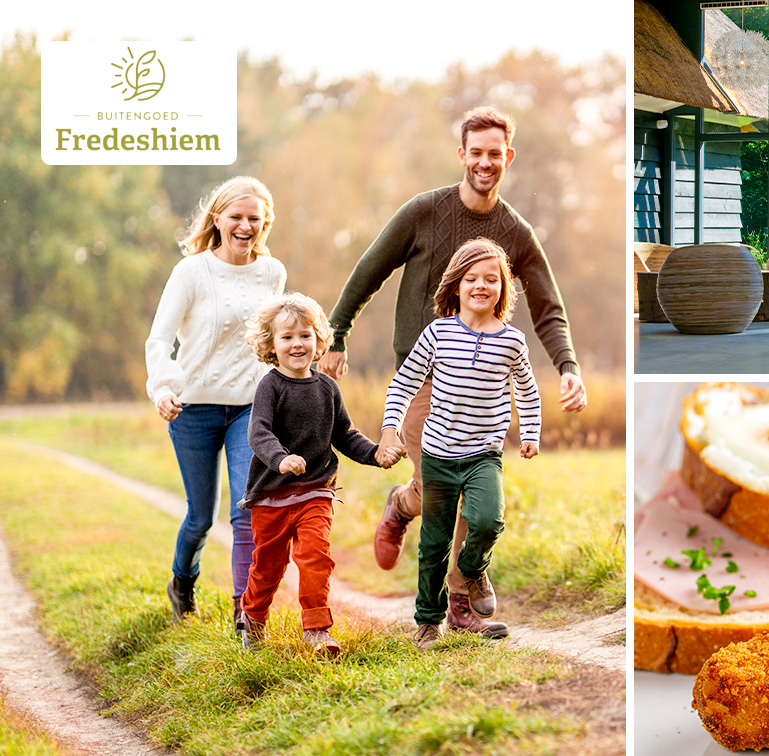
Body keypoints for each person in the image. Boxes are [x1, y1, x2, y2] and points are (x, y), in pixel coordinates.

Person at [318, 106, 584, 638]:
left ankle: (460, 603)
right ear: (463, 155)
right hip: (423, 373)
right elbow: (369, 269)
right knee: (437, 486)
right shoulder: (423, 211)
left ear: (508, 158)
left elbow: (547, 306)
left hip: (485, 381)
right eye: (476, 153)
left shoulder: (515, 232)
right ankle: (401, 505)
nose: (485, 163)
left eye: (495, 155)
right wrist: (337, 333)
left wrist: (568, 366)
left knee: (474, 493)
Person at [378, 238, 540, 650]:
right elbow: (404, 383)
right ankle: (428, 622)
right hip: (437, 455)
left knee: (488, 520)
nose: (480, 286)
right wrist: (390, 428)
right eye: (471, 278)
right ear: (456, 285)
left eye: (491, 279)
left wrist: (531, 433)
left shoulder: (512, 341)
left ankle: (471, 572)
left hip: (484, 453)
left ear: (504, 287)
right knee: (434, 541)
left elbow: (528, 391)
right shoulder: (438, 333)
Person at [145, 176, 286, 627]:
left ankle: (246, 611)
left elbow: (273, 338)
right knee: (200, 518)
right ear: (218, 219)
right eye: (237, 217)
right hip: (193, 408)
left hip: (250, 406)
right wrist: (164, 388)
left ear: (264, 223)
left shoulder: (272, 272)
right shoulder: (191, 271)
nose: (245, 226)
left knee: (246, 511)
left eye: (254, 219)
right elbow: (160, 338)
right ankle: (182, 582)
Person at [238, 293, 403, 655]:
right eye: (287, 337)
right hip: (272, 495)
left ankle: (316, 630)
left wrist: (377, 454)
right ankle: (252, 617)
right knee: (268, 567)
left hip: (315, 492)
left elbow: (344, 435)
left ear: (318, 341)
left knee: (316, 555)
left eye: (305, 335)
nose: (297, 344)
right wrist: (280, 459)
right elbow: (258, 432)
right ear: (270, 344)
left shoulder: (328, 388)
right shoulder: (270, 386)